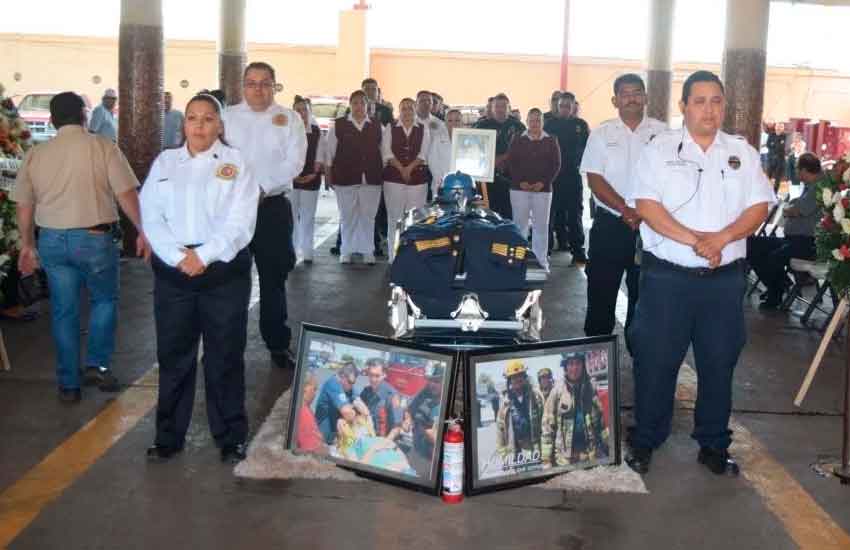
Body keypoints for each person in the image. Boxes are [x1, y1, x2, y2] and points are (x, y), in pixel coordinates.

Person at [625, 70, 775, 476]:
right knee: (655, 361)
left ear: (724, 106)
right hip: (667, 279)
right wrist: (697, 241)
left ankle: (712, 443)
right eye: (700, 101)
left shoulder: (742, 153)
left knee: (719, 362)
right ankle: (645, 440)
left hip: (723, 283)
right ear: (684, 106)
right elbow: (647, 206)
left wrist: (722, 238)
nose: (709, 109)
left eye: (716, 101)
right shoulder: (659, 149)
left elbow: (760, 206)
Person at [141, 93, 259, 463]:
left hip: (223, 271)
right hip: (174, 272)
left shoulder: (236, 163)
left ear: (220, 125)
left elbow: (241, 223)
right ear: (184, 124)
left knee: (224, 356)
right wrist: (179, 258)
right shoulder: (165, 162)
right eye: (193, 118)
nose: (200, 126)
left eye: (208, 119)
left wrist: (204, 256)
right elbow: (151, 216)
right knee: (174, 355)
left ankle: (230, 435)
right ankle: (169, 436)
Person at [14, 92, 149, 403]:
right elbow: (126, 193)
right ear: (84, 117)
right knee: (103, 300)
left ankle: (69, 384)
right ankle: (98, 367)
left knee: (64, 311)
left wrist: (27, 245)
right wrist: (143, 230)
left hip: (52, 241)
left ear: (52, 119)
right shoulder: (102, 147)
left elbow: (24, 203)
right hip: (95, 239)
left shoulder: (37, 153)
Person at [223, 61, 306, 368]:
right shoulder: (227, 118)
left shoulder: (290, 118)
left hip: (272, 207)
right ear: (242, 86)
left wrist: (261, 188)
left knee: (274, 279)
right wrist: (241, 190)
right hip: (233, 209)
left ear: (275, 85)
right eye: (251, 83)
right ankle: (228, 347)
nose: (258, 89)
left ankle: (277, 344)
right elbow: (217, 160)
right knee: (231, 280)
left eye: (265, 83)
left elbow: (295, 162)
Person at [581, 74, 668, 348]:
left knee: (644, 294)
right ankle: (596, 353)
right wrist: (625, 209)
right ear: (615, 100)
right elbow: (594, 178)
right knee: (601, 291)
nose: (631, 98)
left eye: (637, 92)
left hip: (651, 228)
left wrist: (643, 211)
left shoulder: (664, 133)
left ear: (645, 97)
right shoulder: (602, 133)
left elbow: (672, 178)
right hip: (610, 225)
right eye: (625, 93)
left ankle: (639, 352)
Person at [748, 153, 822, 308]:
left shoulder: (818, 188)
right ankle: (781, 284)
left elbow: (796, 211)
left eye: (797, 169)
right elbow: (793, 208)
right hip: (792, 239)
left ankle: (776, 292)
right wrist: (790, 208)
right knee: (752, 244)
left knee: (773, 258)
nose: (795, 172)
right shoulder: (809, 187)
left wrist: (789, 210)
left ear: (804, 170)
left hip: (805, 243)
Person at [326, 89, 384, 265]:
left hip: (371, 178)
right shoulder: (338, 125)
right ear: (350, 105)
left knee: (368, 216)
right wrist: (328, 176)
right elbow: (329, 154)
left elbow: (383, 151)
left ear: (368, 106)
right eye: (355, 103)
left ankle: (368, 251)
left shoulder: (377, 125)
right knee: (347, 216)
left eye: (362, 103)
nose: (359, 107)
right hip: (345, 177)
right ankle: (346, 250)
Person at [505, 107, 561, 271]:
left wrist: (543, 183)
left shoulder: (551, 140)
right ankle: (518, 262)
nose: (535, 123)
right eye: (532, 120)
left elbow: (556, 165)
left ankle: (541, 262)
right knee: (519, 225)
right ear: (526, 121)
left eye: (538, 120)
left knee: (541, 227)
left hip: (543, 190)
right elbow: (511, 162)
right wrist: (520, 181)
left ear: (543, 122)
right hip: (518, 189)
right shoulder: (517, 138)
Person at [544, 92, 590, 264]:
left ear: (573, 107)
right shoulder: (549, 125)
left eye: (568, 106)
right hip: (552, 177)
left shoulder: (581, 125)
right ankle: (545, 251)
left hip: (573, 176)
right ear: (558, 106)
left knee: (575, 215)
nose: (564, 108)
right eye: (562, 105)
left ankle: (578, 251)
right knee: (549, 216)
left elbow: (588, 149)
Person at [541, 353, 609, 466]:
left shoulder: (591, 388)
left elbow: (601, 423)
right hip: (566, 459)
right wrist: (546, 462)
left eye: (578, 363)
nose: (574, 368)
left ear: (583, 366)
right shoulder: (556, 392)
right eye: (571, 364)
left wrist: (609, 449)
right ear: (565, 367)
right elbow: (547, 429)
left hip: (591, 455)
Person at [383, 97, 431, 260]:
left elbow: (423, 154)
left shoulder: (424, 129)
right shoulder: (390, 127)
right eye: (404, 108)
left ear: (415, 109)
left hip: (417, 179)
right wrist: (401, 168)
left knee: (415, 218)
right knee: (394, 217)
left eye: (410, 108)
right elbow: (387, 153)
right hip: (393, 179)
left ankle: (412, 255)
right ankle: (393, 255)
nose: (407, 111)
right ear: (399, 111)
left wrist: (409, 168)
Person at [474, 93, 526, 220]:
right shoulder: (481, 126)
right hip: (487, 178)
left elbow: (525, 152)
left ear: (509, 108)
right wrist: (493, 160)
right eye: (497, 106)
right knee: (488, 214)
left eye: (503, 106)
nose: (500, 109)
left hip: (511, 177)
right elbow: (475, 151)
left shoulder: (518, 126)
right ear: (492, 108)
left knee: (510, 213)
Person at [291, 96, 326, 264]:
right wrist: (292, 175)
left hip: (311, 178)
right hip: (290, 180)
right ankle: (292, 250)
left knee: (308, 216)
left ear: (309, 111)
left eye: (304, 109)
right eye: (297, 110)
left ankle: (307, 251)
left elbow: (320, 155)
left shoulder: (317, 131)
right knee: (291, 217)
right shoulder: (286, 131)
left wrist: (314, 173)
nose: (301, 113)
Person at [496, 360, 545, 467]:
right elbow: (500, 432)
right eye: (514, 377)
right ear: (509, 381)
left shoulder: (536, 397)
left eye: (520, 376)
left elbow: (545, 424)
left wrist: (546, 452)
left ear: (525, 377)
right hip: (515, 452)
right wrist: (504, 457)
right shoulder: (505, 404)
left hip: (536, 448)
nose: (517, 379)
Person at [415, 90, 451, 199]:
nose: (426, 103)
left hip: (433, 170)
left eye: (429, 101)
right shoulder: (410, 121)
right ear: (416, 103)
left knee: (431, 202)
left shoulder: (440, 124)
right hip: (415, 166)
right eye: (422, 101)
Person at [315, 362, 358, 444]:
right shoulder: (333, 384)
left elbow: (360, 404)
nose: (351, 386)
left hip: (334, 438)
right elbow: (347, 412)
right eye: (350, 382)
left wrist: (343, 418)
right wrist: (350, 414)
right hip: (321, 438)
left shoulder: (348, 387)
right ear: (342, 376)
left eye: (353, 383)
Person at [359, 357, 398, 436]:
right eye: (371, 375)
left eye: (377, 376)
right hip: (368, 436)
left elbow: (397, 428)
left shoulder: (392, 396)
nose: (373, 379)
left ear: (384, 375)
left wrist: (383, 443)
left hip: (384, 440)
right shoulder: (366, 391)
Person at [296, 373, 329, 454]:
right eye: (314, 389)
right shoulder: (304, 412)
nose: (315, 394)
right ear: (304, 388)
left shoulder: (299, 407)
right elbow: (313, 448)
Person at [766, 122, 787, 193]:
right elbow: (768, 144)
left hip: (780, 161)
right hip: (771, 159)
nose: (779, 128)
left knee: (777, 179)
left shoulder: (785, 136)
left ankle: (775, 193)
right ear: (775, 127)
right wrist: (778, 144)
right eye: (778, 126)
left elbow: (782, 147)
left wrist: (774, 144)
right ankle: (766, 191)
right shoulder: (771, 134)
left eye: (781, 126)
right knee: (767, 177)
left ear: (783, 128)